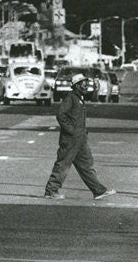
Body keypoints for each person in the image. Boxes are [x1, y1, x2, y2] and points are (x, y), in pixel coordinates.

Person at [44, 73, 116, 201]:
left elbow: (94, 97)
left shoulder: (79, 97)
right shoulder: (70, 98)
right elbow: (61, 115)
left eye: (86, 83)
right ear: (76, 86)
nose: (85, 86)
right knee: (63, 164)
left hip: (80, 139)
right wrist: (70, 130)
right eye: (83, 84)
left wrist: (96, 87)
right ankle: (51, 190)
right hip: (70, 139)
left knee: (86, 165)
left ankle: (98, 191)